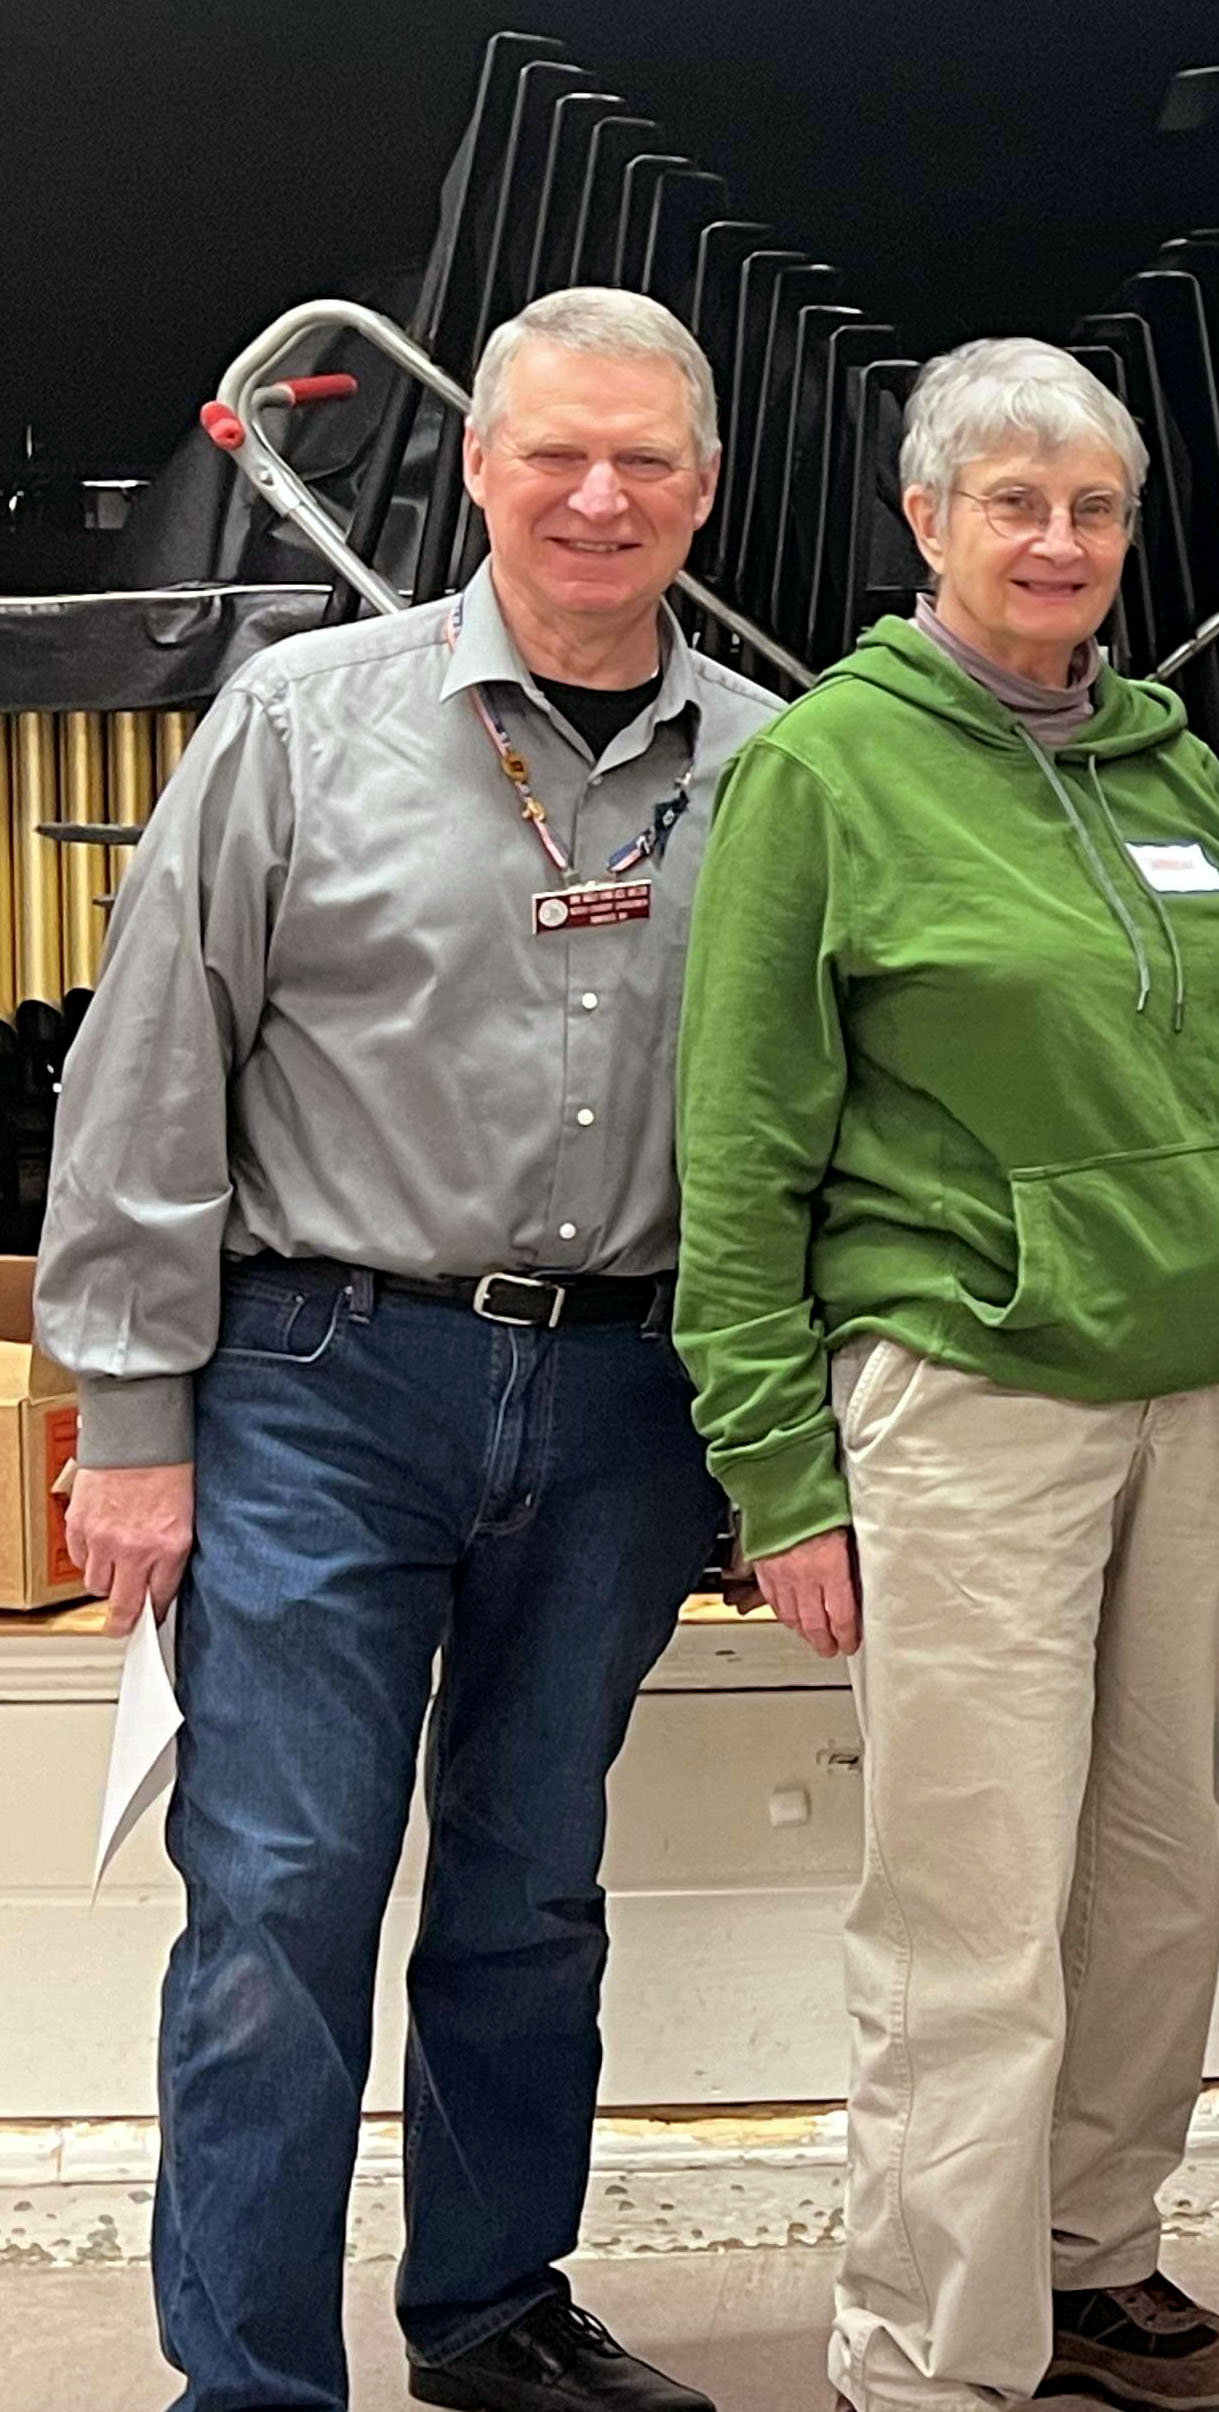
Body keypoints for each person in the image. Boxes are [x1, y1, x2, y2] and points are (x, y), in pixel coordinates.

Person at [38, 287, 773, 2412]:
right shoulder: (301, 721)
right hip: (321, 1384)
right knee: (279, 1898)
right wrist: (134, 1418)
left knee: (535, 1890)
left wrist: (760, 1437)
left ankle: (492, 2311)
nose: (600, 494)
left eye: (646, 459)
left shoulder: (775, 772)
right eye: (556, 451)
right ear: (479, 469)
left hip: (631, 1401)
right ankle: (252, 2378)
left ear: (703, 491)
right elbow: (151, 1072)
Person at [673, 334, 1219, 2412]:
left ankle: (1094, 2267)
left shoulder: (1171, 763)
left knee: (1159, 1877)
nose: (1059, 540)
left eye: (1093, 508)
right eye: (1015, 502)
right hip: (971, 1409)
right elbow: (740, 1156)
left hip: (1218, 1400)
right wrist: (780, 1476)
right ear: (928, 523)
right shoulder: (825, 771)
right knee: (969, 1920)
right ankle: (929, 2355)